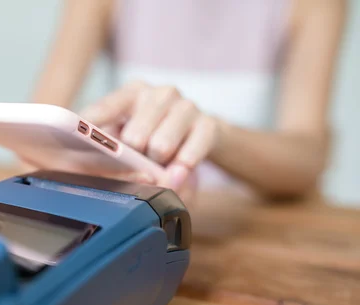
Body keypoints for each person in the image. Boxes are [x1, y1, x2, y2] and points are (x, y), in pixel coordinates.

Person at [26, 0, 347, 206]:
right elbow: (34, 135)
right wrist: (94, 161)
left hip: (246, 220)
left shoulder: (317, 5)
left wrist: (215, 136)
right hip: (134, 205)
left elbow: (307, 159)